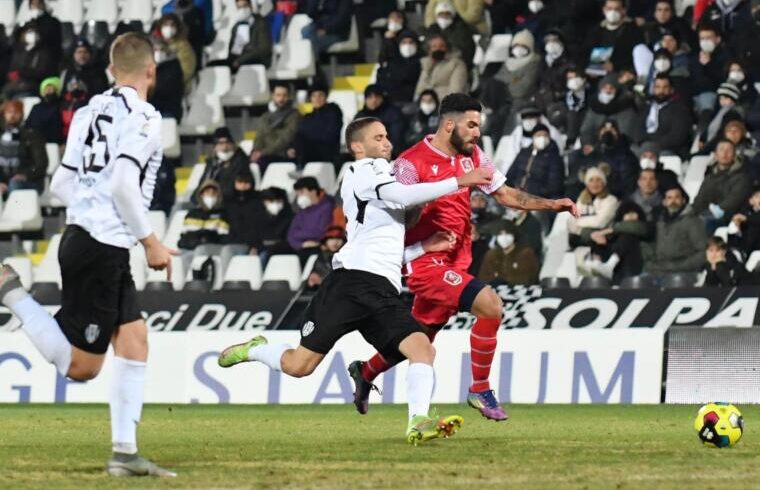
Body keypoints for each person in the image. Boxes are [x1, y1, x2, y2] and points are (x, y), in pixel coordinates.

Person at [217, 117, 495, 444]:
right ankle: (256, 349)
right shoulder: (360, 171)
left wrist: (423, 246)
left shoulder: (385, 183)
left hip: (382, 289)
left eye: (387, 136)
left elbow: (385, 248)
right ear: (357, 147)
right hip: (349, 284)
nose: (387, 143)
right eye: (378, 137)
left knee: (422, 349)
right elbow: (403, 197)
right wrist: (460, 179)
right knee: (299, 366)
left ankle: (418, 421)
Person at [0, 33, 175, 477]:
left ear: (111, 70)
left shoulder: (86, 111)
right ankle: (10, 291)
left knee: (134, 339)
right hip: (102, 246)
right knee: (81, 368)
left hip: (87, 238)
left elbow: (60, 184)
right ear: (150, 70)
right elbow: (122, 183)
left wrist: (92, 209)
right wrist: (150, 241)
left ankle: (124, 453)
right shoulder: (145, 116)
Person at [348, 94, 577, 421]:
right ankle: (479, 389)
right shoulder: (410, 164)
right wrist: (424, 206)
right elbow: (397, 218)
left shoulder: (473, 157)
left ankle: (365, 372)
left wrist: (553, 204)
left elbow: (505, 193)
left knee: (420, 338)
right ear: (449, 124)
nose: (477, 133)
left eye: (478, 126)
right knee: (490, 304)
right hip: (425, 262)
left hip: (457, 259)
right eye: (471, 125)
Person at [645, 184, 708, 274]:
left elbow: (703, 252)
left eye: (677, 197)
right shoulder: (660, 222)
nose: (673, 201)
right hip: (660, 270)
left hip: (684, 272)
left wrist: (682, 266)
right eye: (669, 198)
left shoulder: (693, 221)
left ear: (683, 201)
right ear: (664, 202)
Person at [692, 139, 754, 231]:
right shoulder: (709, 177)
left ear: (734, 155)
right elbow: (700, 200)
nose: (725, 153)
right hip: (707, 214)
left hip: (729, 217)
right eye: (721, 149)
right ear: (716, 155)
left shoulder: (742, 177)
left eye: (729, 150)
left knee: (699, 224)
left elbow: (733, 202)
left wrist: (709, 213)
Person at [583, 200, 649, 282]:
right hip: (618, 274)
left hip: (637, 270)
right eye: (627, 213)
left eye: (633, 213)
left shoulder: (643, 229)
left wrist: (609, 230)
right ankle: (597, 262)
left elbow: (635, 228)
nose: (631, 216)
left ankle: (609, 266)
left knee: (627, 236)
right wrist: (603, 244)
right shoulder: (616, 235)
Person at [578, 0, 644, 75]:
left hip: (619, 74)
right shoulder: (596, 31)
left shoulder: (633, 31)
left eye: (617, 9)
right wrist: (589, 67)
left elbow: (637, 58)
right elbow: (584, 53)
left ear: (623, 11)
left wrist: (615, 67)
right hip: (594, 73)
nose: (612, 12)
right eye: (609, 9)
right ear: (603, 10)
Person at [0, 99, 47, 195]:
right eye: (9, 112)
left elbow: (42, 164)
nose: (12, 116)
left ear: (21, 114)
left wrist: (25, 176)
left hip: (30, 181)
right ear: (4, 115)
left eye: (15, 112)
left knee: (14, 184)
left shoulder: (32, 135)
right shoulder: (2, 136)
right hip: (6, 181)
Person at [506, 123, 564, 199]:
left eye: (545, 135)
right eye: (539, 135)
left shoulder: (554, 158)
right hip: (517, 194)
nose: (542, 138)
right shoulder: (524, 152)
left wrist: (530, 193)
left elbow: (554, 186)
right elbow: (510, 174)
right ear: (533, 137)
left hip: (538, 199)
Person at [250, 83, 301, 168]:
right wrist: (255, 151)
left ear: (289, 97)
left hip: (282, 155)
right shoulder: (265, 117)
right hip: (265, 155)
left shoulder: (294, 115)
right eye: (278, 95)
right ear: (273, 96)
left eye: (284, 95)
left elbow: (284, 140)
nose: (281, 99)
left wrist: (262, 153)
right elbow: (259, 137)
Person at [567, 167, 620, 248]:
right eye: (591, 180)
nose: (595, 184)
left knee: (585, 233)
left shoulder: (611, 200)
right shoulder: (582, 199)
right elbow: (572, 220)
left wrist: (579, 222)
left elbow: (600, 222)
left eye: (598, 180)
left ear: (603, 183)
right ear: (587, 183)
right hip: (582, 235)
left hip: (603, 236)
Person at [641, 74, 692, 157]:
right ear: (653, 90)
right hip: (646, 147)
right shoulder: (647, 107)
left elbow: (677, 137)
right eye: (658, 87)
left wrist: (654, 146)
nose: (661, 91)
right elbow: (639, 129)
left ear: (671, 90)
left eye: (665, 87)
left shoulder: (680, 109)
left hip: (668, 150)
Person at [292, 84, 343, 167]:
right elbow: (299, 135)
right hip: (308, 157)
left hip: (328, 158)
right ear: (310, 98)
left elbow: (330, 136)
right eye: (314, 96)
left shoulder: (334, 113)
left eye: (320, 95)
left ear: (326, 97)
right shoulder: (307, 117)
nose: (317, 99)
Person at [3, 23, 58, 98]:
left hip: (32, 84)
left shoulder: (43, 52)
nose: (32, 35)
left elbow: (42, 72)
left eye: (34, 32)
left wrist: (21, 72)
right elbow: (12, 68)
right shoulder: (19, 51)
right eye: (29, 32)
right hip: (14, 83)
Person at [478, 220, 540, 285]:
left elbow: (529, 279)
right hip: (495, 292)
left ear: (514, 235)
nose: (504, 237)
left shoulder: (526, 254)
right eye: (500, 234)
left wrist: (504, 280)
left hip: (520, 292)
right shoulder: (491, 255)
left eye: (507, 233)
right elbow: (483, 278)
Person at [286, 177, 335, 259]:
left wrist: (300, 235)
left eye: (302, 192)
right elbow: (291, 235)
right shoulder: (302, 209)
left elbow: (320, 233)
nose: (299, 197)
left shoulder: (328, 206)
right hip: (303, 247)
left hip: (319, 248)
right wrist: (302, 244)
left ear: (313, 191)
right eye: (297, 193)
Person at [200, 127, 250, 203]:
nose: (224, 148)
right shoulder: (212, 163)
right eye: (220, 143)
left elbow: (238, 188)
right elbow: (201, 184)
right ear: (215, 147)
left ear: (233, 144)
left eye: (227, 143)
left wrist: (215, 194)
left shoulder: (241, 162)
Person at [354, 84, 406, 157]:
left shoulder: (393, 114)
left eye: (377, 97)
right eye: (370, 97)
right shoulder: (360, 116)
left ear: (382, 98)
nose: (374, 100)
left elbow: (396, 139)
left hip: (390, 156)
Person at [423, 1, 476, 70]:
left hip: (456, 66)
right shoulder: (432, 29)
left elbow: (466, 51)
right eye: (441, 14)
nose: (444, 17)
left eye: (447, 14)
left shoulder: (462, 29)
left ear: (453, 15)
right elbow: (425, 48)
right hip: (433, 65)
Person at [414, 34, 468, 101]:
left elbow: (456, 90)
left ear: (447, 48)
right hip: (425, 103)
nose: (438, 49)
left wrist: (433, 99)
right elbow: (420, 88)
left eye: (441, 46)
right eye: (434, 46)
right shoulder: (426, 63)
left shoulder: (457, 64)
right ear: (429, 50)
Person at [376, 30, 422, 104]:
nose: (407, 45)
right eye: (404, 42)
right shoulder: (392, 63)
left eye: (411, 42)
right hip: (391, 103)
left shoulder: (423, 62)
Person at [154, 14, 197, 93]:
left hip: (178, 88)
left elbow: (187, 71)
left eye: (172, 25)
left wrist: (168, 83)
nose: (169, 28)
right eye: (166, 25)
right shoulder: (156, 44)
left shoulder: (183, 46)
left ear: (177, 28)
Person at [226, 0, 273, 70]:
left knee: (238, 64)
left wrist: (240, 60)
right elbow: (232, 50)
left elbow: (263, 49)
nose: (242, 10)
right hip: (239, 59)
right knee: (213, 65)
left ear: (250, 6)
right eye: (239, 7)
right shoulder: (237, 26)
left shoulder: (260, 23)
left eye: (245, 6)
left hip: (257, 60)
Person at [60, 39, 109, 103]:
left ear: (90, 54)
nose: (82, 55)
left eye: (85, 52)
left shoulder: (98, 73)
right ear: (73, 54)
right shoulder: (67, 73)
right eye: (79, 52)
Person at [149, 38, 185, 120]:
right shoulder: (149, 67)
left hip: (168, 110)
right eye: (154, 50)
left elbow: (166, 88)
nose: (157, 52)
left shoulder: (173, 65)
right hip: (152, 110)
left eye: (160, 49)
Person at [26, 76, 64, 144]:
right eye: (46, 88)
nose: (49, 91)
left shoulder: (60, 107)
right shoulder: (36, 107)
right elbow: (28, 124)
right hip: (36, 142)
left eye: (51, 88)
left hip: (54, 143)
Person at [727, 189, 760, 261]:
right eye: (757, 196)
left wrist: (745, 218)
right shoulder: (747, 209)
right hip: (743, 237)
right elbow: (737, 216)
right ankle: (733, 250)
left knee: (753, 227)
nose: (759, 199)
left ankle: (743, 253)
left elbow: (755, 219)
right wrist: (737, 222)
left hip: (756, 243)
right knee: (733, 225)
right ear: (751, 199)